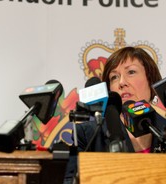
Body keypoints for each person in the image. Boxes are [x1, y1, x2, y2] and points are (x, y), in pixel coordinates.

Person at [64, 46, 166, 184]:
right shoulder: (89, 135)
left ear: (151, 80)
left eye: (131, 72)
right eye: (114, 77)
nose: (122, 83)